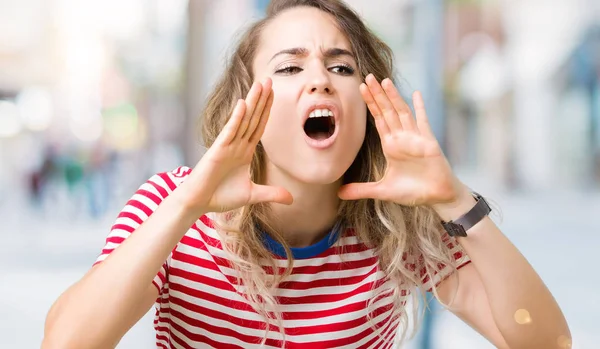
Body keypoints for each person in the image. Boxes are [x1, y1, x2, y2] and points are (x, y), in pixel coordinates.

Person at [42, 1, 571, 348]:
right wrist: (184, 208)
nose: (319, 78)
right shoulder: (171, 203)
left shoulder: (396, 225)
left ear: (364, 108)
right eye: (289, 67)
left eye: (340, 67)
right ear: (245, 105)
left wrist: (457, 200)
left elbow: (543, 340)